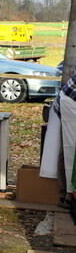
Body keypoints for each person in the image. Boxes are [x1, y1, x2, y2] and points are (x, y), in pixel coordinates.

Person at [40, 69, 76, 204]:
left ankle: (68, 193)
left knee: (69, 150)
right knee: (70, 150)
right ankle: (68, 194)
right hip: (70, 103)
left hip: (69, 101)